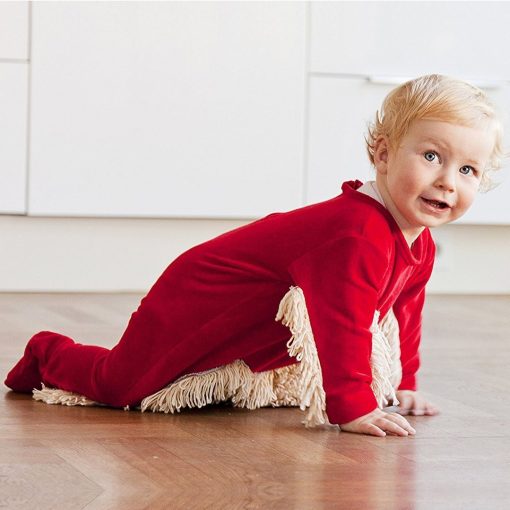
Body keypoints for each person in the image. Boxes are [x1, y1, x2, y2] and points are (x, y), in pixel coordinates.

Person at [4, 74, 504, 437]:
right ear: (383, 154)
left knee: (205, 388)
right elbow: (343, 321)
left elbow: (403, 313)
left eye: (468, 170)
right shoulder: (358, 233)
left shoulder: (418, 241)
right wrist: (351, 406)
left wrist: (406, 382)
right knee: (122, 385)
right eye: (432, 156)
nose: (447, 180)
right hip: (200, 294)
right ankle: (47, 351)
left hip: (247, 314)